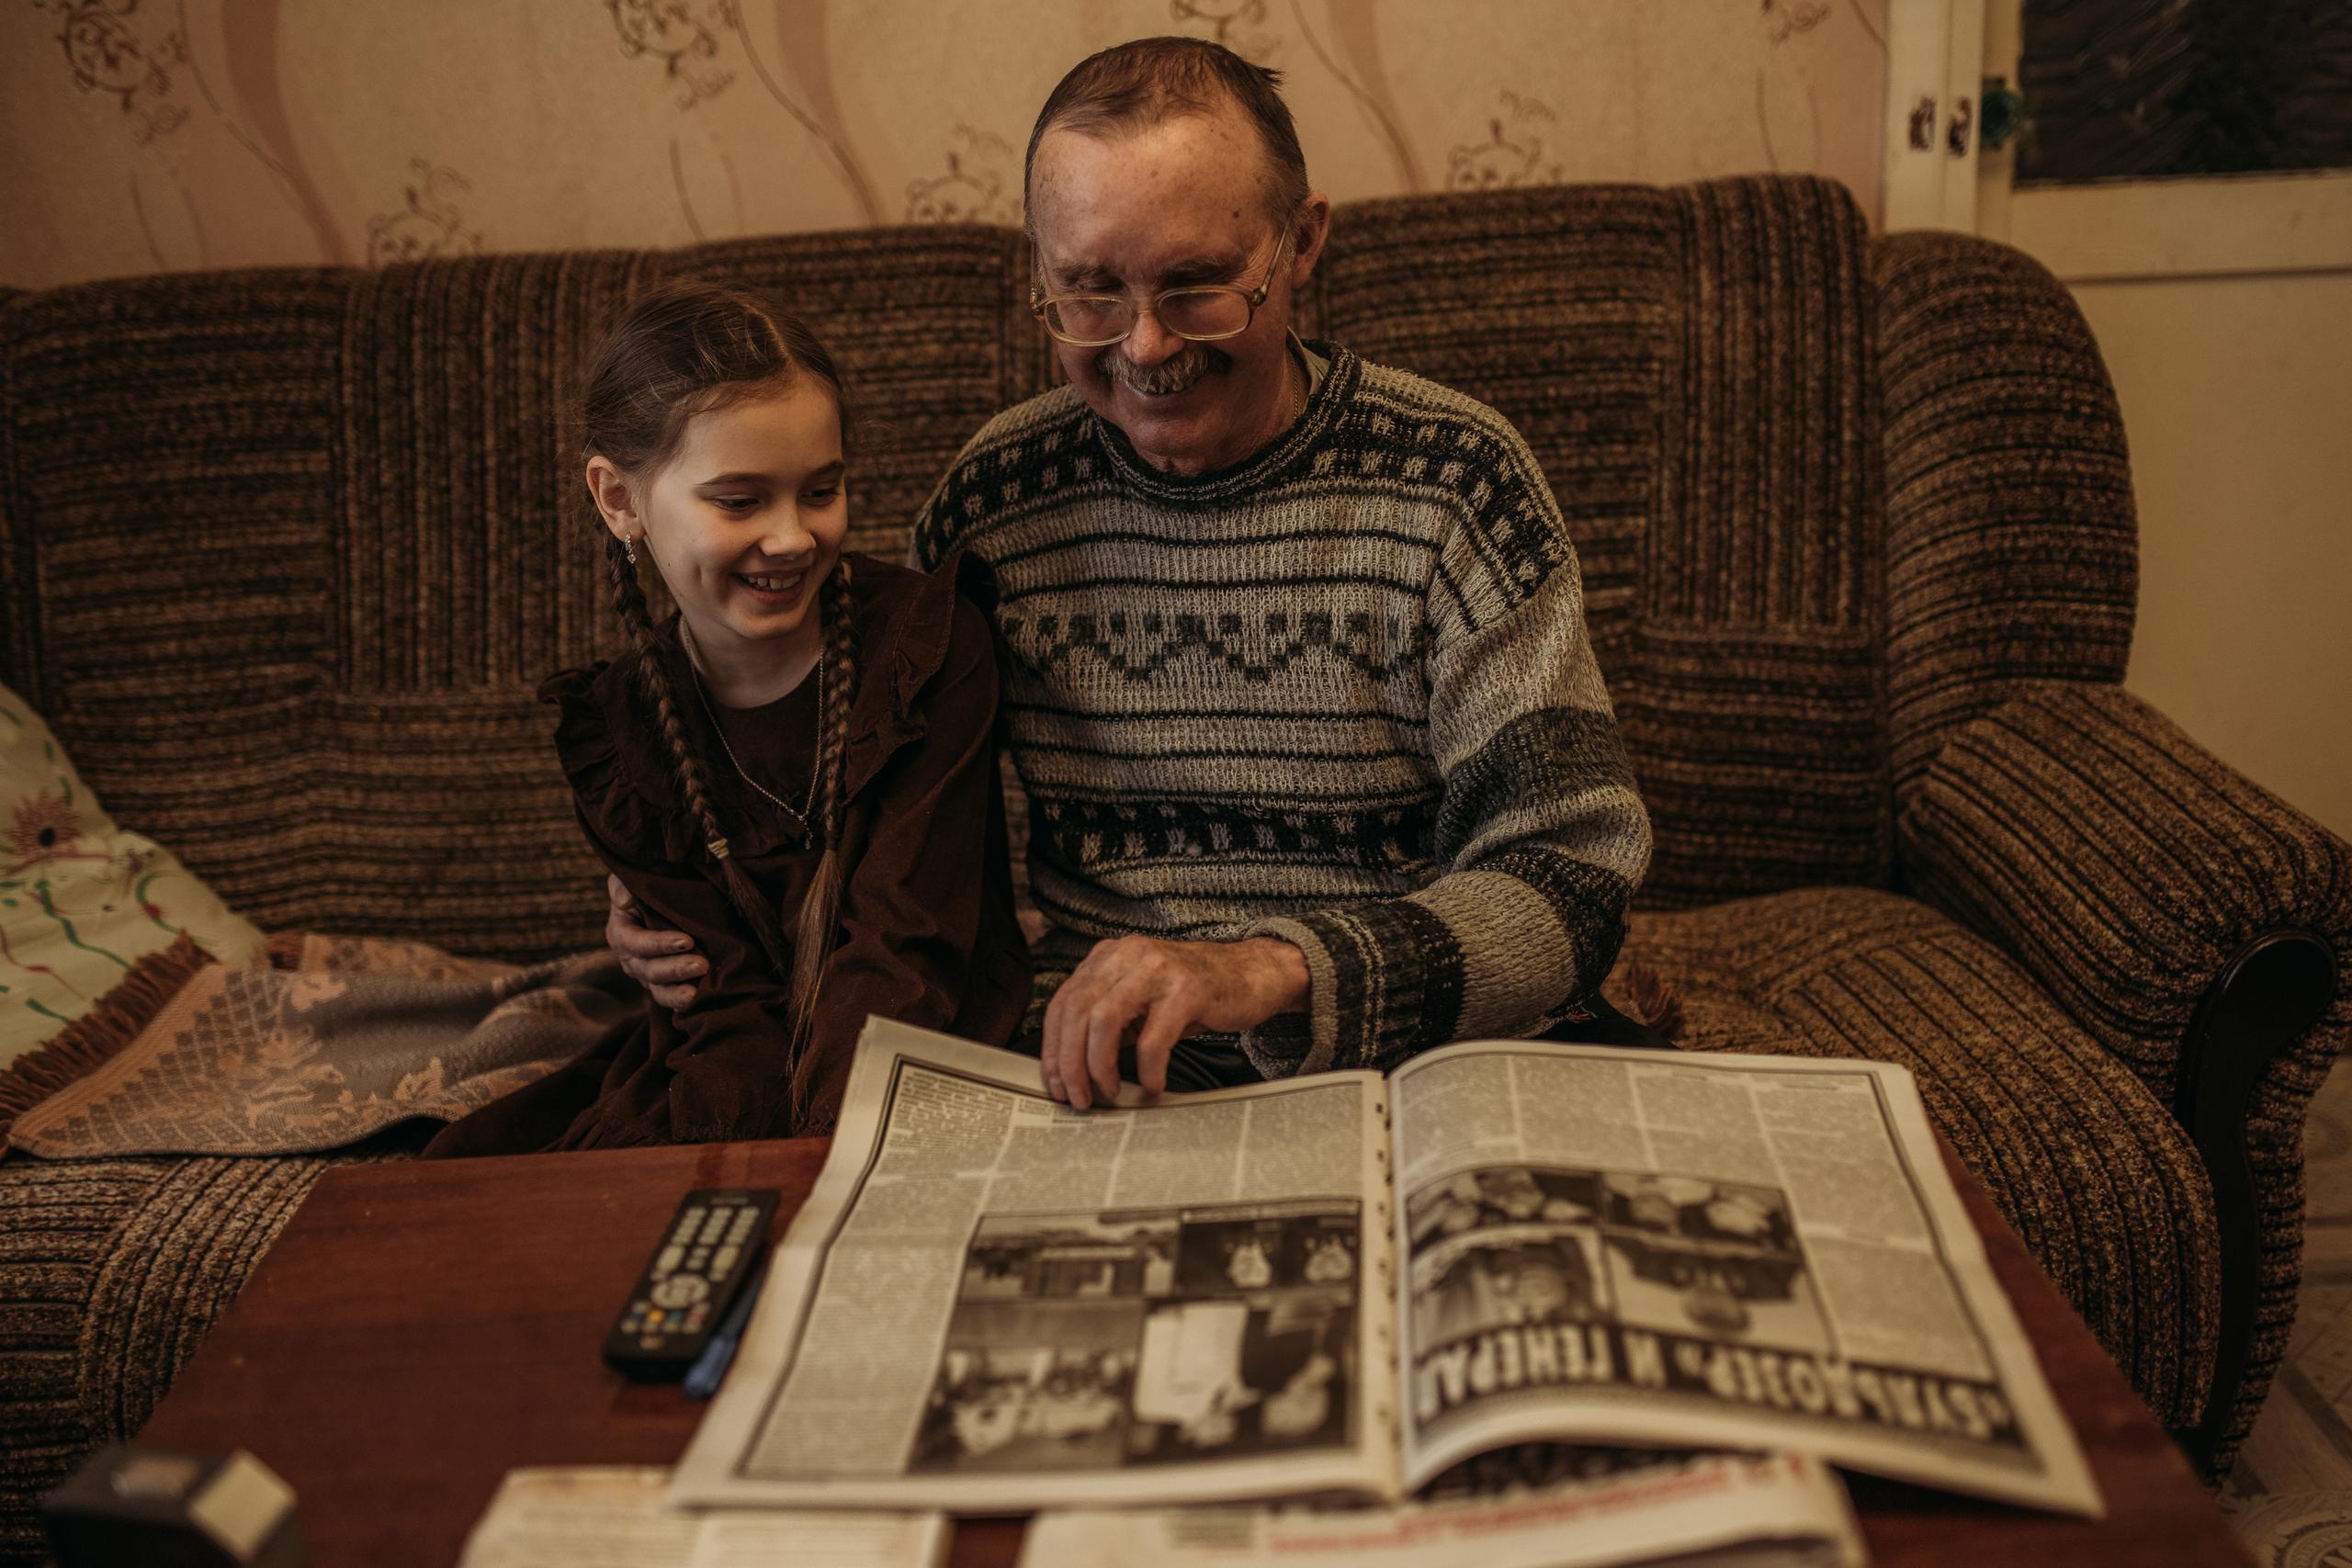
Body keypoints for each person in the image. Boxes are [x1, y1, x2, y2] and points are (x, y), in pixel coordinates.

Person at [608, 37, 1654, 1111]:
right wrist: (682, 879)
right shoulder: (994, 505)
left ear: (1301, 243)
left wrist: (1261, 969)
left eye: (1197, 288)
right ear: (1038, 273)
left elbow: (1571, 874)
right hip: (1097, 1055)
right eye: (1091, 293)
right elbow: (853, 775)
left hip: (1419, 1042)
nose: (1146, 349)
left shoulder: (1455, 480)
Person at [424, 281, 1030, 1155]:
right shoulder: (622, 734)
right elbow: (723, 1005)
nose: (790, 538)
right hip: (729, 1063)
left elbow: (906, 947)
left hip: (914, 1045)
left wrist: (818, 1162)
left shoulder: (927, 649)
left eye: (820, 490)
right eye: (739, 502)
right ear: (619, 500)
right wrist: (745, 1166)